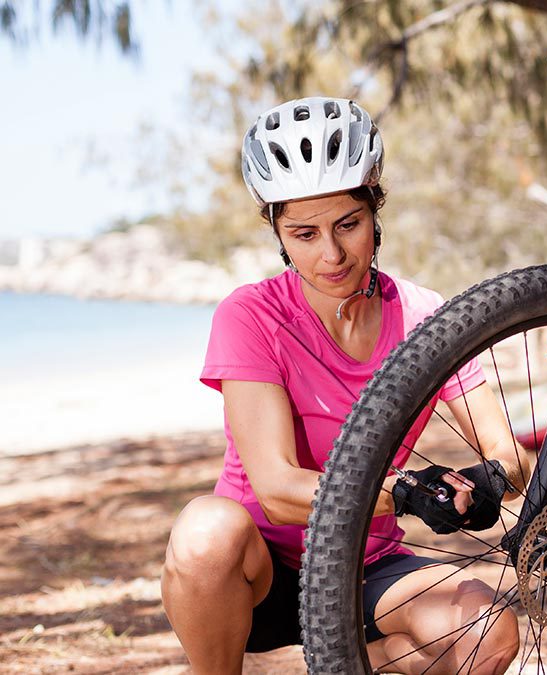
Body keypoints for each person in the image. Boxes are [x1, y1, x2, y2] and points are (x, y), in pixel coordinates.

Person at [161, 96, 524, 674]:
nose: (331, 255)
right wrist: (405, 490)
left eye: (348, 225)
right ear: (277, 232)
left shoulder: (425, 315)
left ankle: (358, 661)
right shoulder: (251, 315)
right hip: (261, 575)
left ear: (375, 210)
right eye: (304, 233)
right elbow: (277, 488)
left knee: (490, 632)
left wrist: (490, 479)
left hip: (367, 569)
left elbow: (508, 452)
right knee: (205, 531)